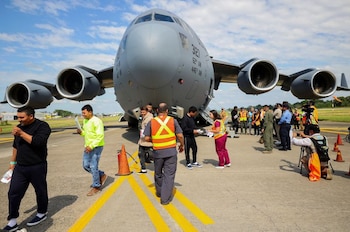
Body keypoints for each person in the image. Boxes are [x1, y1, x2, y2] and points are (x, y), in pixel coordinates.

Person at [3, 107, 51, 231]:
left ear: (31, 116)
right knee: (13, 193)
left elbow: (37, 142)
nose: (19, 120)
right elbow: (16, 146)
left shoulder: (42, 126)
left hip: (37, 166)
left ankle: (41, 213)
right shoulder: (20, 127)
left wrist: (21, 133)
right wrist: (12, 162)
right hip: (20, 167)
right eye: (18, 117)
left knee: (40, 191)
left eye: (22, 117)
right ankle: (12, 221)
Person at [144, 103, 184, 205]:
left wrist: (156, 140)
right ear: (167, 111)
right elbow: (179, 135)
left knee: (158, 173)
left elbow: (146, 138)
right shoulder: (172, 120)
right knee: (169, 175)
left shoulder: (152, 122)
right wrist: (181, 145)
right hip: (170, 152)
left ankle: (159, 192)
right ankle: (165, 199)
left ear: (157, 110)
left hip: (157, 152)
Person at [77, 104, 107, 196]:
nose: (83, 115)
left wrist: (92, 146)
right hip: (87, 147)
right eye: (82, 113)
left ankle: (96, 186)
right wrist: (81, 132)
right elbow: (87, 133)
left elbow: (100, 136)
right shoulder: (85, 121)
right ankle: (101, 174)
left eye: (84, 113)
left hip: (96, 147)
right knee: (85, 165)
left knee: (93, 166)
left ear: (90, 112)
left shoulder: (97, 121)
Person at [137, 106, 154, 174]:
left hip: (148, 139)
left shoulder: (149, 118)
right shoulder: (143, 118)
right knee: (141, 154)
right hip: (142, 140)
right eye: (141, 112)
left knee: (151, 155)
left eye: (143, 112)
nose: (142, 113)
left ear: (147, 111)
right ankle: (143, 168)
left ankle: (160, 166)